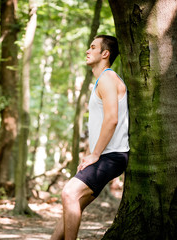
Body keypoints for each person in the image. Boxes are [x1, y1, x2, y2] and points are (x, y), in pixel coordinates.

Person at [51, 35, 130, 239]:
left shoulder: (107, 79)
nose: (88, 50)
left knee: (68, 194)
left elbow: (111, 119)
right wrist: (88, 155)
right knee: (71, 204)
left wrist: (95, 154)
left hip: (111, 155)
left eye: (93, 47)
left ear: (105, 53)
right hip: (103, 155)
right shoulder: (102, 80)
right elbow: (98, 126)